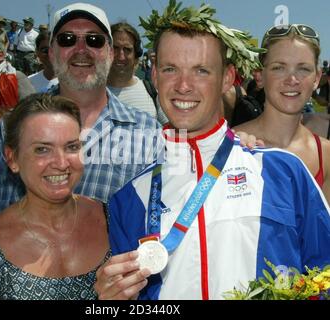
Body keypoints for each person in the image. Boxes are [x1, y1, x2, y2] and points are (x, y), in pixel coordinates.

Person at [94, 1, 330, 300]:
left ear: (228, 78)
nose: (183, 85)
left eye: (201, 71)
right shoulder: (129, 198)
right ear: (153, 75)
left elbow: (325, 273)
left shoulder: (285, 172)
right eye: (170, 69)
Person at [0, 2, 160, 289]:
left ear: (109, 52)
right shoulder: (11, 128)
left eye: (94, 40)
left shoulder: (148, 134)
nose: (81, 49)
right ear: (52, 52)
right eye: (67, 39)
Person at [0, 93, 109, 300]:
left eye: (71, 147)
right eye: (42, 149)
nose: (61, 163)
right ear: (12, 158)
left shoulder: (114, 220)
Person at [234, 24, 330, 203]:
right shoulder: (229, 143)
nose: (292, 80)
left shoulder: (326, 155)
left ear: (316, 78)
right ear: (259, 76)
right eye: (279, 68)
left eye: (303, 69)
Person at [107, 22, 168, 124]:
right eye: (115, 48)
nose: (121, 56)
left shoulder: (153, 93)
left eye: (127, 49)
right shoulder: (92, 95)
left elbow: (176, 135)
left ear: (136, 54)